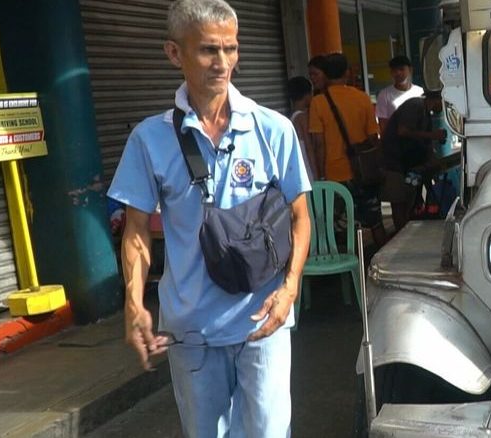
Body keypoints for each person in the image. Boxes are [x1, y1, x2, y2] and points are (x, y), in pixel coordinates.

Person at [108, 1, 311, 436]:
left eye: (231, 49)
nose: (223, 63)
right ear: (173, 53)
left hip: (264, 321)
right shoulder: (149, 139)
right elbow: (137, 232)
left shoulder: (273, 129)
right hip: (192, 331)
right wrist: (134, 303)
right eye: (207, 51)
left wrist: (290, 288)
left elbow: (299, 216)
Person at [308, 52, 388, 245]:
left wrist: (320, 175)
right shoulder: (362, 98)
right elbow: (373, 137)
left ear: (326, 74)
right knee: (375, 222)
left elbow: (319, 144)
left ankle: (347, 269)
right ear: (347, 73)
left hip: (334, 175)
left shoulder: (318, 103)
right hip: (363, 173)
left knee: (341, 227)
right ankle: (385, 262)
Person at [381, 90, 446, 232]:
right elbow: (402, 131)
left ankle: (404, 230)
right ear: (437, 100)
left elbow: (425, 144)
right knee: (398, 201)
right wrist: (432, 135)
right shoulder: (415, 105)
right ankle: (400, 235)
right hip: (394, 161)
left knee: (407, 201)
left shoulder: (426, 114)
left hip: (407, 164)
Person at [375, 55, 424, 132]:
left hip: (419, 140)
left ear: (410, 70)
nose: (398, 73)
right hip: (396, 141)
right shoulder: (384, 95)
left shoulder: (420, 92)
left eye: (401, 69)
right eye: (394, 70)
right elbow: (383, 124)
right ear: (391, 73)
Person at [288, 75, 315, 179]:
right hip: (307, 167)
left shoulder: (292, 116)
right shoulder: (302, 117)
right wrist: (316, 174)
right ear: (307, 95)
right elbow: (309, 147)